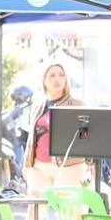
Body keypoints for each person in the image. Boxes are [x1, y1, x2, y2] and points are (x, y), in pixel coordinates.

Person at [26, 63, 87, 193]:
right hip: (40, 166)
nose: (57, 79)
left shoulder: (77, 104)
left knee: (70, 210)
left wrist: (87, 163)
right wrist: (27, 165)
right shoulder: (38, 106)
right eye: (52, 75)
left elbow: (86, 135)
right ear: (44, 80)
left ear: (66, 80)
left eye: (61, 75)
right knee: (35, 209)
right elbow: (31, 138)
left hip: (69, 167)